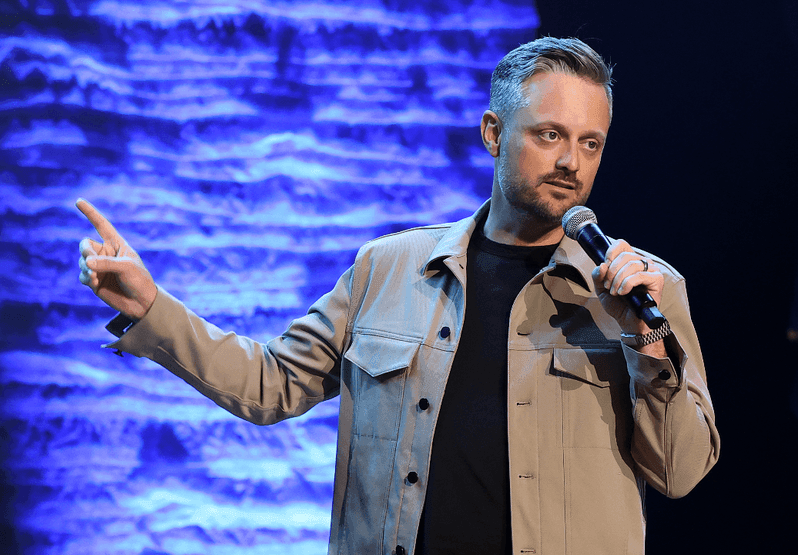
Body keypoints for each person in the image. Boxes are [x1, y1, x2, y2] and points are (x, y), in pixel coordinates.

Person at [77, 37, 719, 555]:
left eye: (590, 143)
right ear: (494, 133)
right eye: (549, 134)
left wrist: (646, 344)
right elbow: (271, 384)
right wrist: (150, 308)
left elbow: (681, 473)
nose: (570, 163)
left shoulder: (642, 292)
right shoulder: (389, 268)